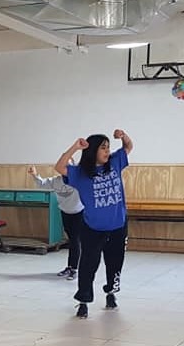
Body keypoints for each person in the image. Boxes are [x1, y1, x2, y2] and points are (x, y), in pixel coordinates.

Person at [54, 129, 133, 319]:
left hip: (117, 226)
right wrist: (75, 146)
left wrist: (123, 136)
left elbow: (129, 147)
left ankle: (110, 293)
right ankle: (83, 301)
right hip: (92, 228)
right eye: (103, 148)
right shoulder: (80, 174)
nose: (107, 151)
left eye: (108, 147)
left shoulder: (114, 162)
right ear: (92, 151)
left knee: (115, 263)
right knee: (89, 265)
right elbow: (59, 166)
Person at [27, 165, 84, 280]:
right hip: (65, 212)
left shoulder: (79, 181)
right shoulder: (56, 181)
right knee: (71, 240)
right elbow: (42, 184)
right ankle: (70, 266)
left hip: (79, 213)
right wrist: (34, 174)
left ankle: (74, 269)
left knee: (75, 240)